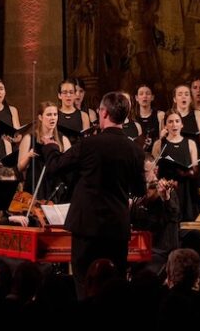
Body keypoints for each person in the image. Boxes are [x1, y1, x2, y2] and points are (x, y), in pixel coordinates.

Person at [40, 91, 146, 298]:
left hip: (87, 227)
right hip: (116, 227)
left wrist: (51, 147)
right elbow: (140, 190)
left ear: (104, 112)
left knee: (84, 283)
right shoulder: (135, 150)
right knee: (114, 286)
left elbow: (55, 167)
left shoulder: (89, 144)